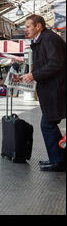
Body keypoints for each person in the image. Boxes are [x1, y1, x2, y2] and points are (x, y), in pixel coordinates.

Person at [20, 14, 66, 172]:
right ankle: (58, 159)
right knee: (49, 124)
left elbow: (56, 63)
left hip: (56, 89)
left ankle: (58, 161)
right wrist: (33, 74)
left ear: (38, 26)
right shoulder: (42, 40)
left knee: (47, 124)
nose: (25, 30)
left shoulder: (48, 39)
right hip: (52, 89)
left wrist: (34, 75)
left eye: (27, 26)